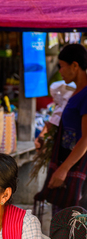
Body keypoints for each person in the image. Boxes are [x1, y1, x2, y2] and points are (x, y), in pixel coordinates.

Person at [34, 44, 87, 213]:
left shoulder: (85, 95)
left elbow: (86, 139)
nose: (60, 71)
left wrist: (63, 170)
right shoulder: (74, 93)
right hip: (69, 162)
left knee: (73, 223)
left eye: (62, 66)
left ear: (75, 66)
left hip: (79, 168)